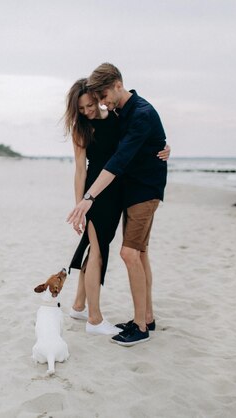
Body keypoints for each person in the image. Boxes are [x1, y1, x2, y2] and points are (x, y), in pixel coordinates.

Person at [67, 63, 168, 346]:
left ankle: (87, 309)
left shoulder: (120, 115)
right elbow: (80, 169)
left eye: (94, 103)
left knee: (105, 252)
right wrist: (82, 202)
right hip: (98, 194)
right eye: (84, 106)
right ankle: (94, 317)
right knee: (98, 251)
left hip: (119, 192)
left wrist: (162, 146)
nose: (91, 108)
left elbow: (128, 152)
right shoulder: (84, 127)